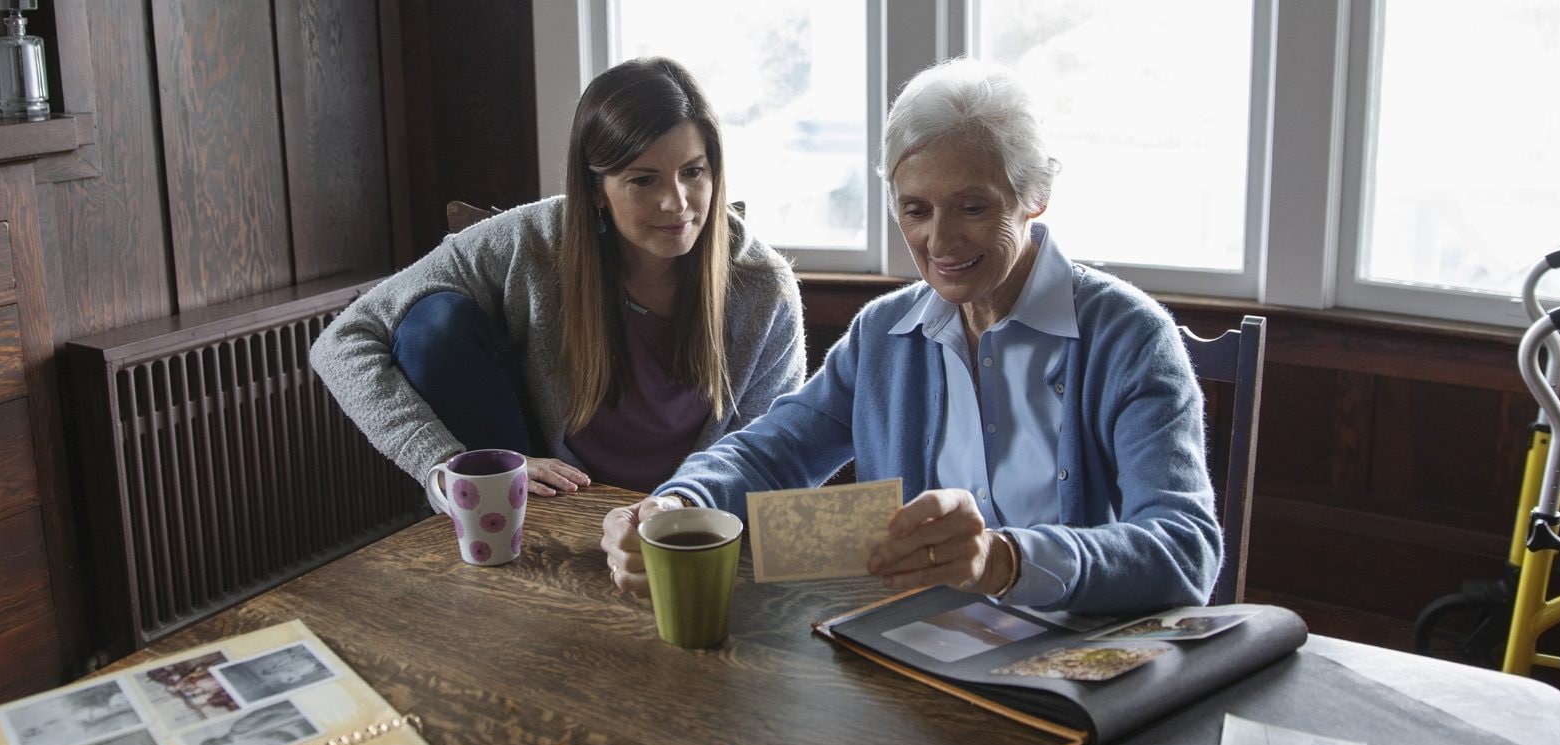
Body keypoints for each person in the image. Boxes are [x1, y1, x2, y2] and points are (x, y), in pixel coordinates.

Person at [600, 59, 1222, 616]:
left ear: (1034, 196)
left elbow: (1183, 548)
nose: (940, 243)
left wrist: (1003, 561)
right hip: (911, 650)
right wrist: (678, 504)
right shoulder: (883, 333)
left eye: (973, 208)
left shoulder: (1130, 337)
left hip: (1079, 663)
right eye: (916, 210)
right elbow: (772, 452)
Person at [310, 57, 805, 497]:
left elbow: (772, 450)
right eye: (643, 179)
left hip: (691, 515)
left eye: (693, 172)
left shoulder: (763, 287)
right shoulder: (532, 241)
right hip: (549, 498)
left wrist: (682, 511)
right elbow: (343, 340)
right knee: (432, 322)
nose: (676, 203)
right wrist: (441, 463)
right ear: (595, 191)